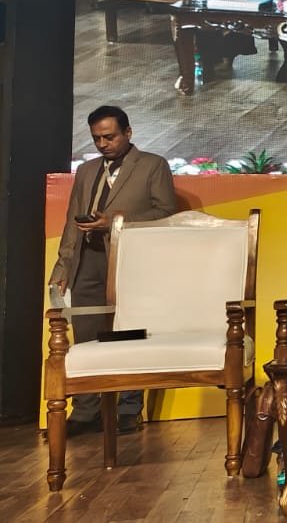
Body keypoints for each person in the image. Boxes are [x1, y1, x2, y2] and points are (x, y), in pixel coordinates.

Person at [48, 106, 178, 437]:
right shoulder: (88, 170)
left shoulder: (152, 165)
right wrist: (64, 264)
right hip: (88, 258)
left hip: (131, 259)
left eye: (110, 136)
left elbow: (165, 213)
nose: (103, 144)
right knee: (86, 334)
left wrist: (117, 223)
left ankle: (127, 409)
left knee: (129, 332)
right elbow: (71, 221)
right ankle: (87, 409)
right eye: (97, 138)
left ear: (128, 133)